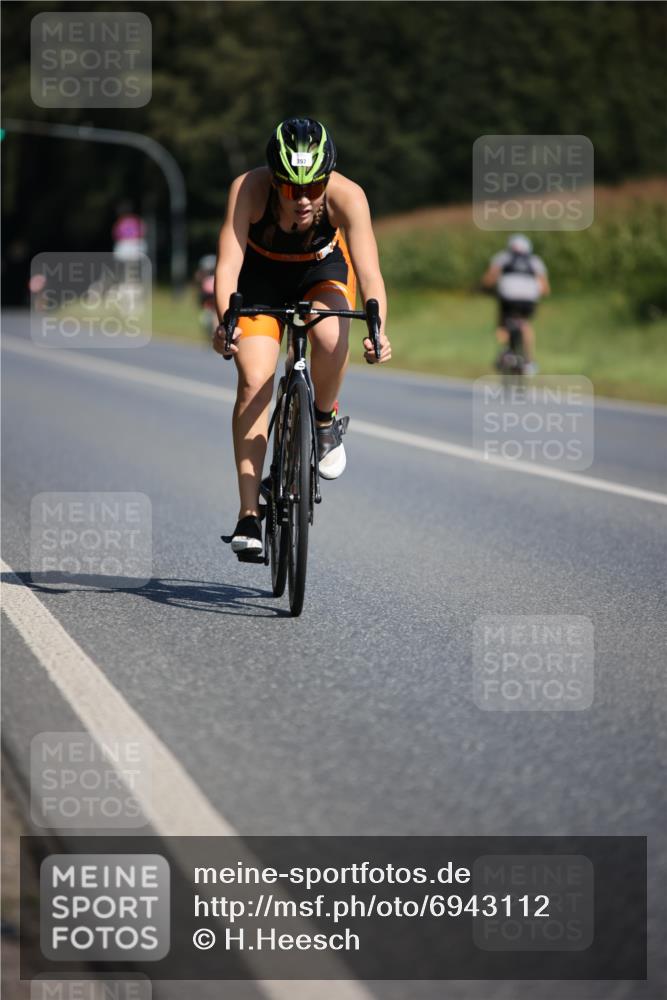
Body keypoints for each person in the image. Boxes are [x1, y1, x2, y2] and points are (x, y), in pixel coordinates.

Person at [213, 117, 391, 556]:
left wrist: (378, 330)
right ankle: (248, 514)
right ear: (275, 182)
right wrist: (225, 323)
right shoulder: (248, 190)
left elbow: (369, 275)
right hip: (260, 277)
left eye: (315, 186)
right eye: (293, 188)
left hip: (320, 270)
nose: (306, 198)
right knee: (255, 379)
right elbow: (228, 265)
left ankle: (325, 421)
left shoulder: (348, 197)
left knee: (330, 337)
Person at [482, 234, 550, 376]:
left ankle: (505, 351)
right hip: (529, 300)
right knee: (525, 324)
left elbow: (490, 278)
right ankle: (529, 360)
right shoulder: (535, 261)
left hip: (508, 298)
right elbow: (545, 289)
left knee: (502, 322)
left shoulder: (503, 257)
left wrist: (484, 288)